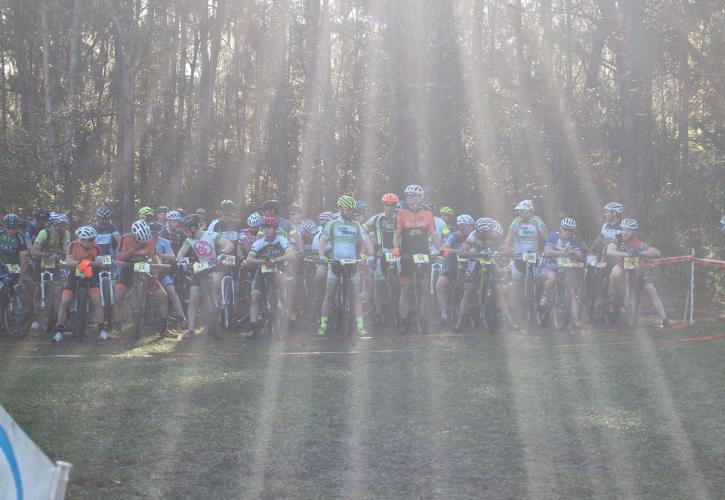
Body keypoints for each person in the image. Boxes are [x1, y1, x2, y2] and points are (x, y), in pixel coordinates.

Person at [317, 195, 375, 337]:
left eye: (352, 210)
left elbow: (366, 240)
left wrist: (372, 255)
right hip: (335, 263)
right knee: (329, 295)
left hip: (352, 263)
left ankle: (360, 326)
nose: (351, 213)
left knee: (355, 296)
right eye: (348, 210)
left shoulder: (356, 224)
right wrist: (321, 256)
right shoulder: (332, 224)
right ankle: (323, 325)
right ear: (341, 209)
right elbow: (322, 241)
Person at [392, 184, 442, 334]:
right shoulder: (401, 214)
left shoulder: (428, 214)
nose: (408, 198)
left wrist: (440, 249)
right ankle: (404, 320)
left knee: (424, 284)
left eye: (412, 195)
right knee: (405, 289)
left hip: (423, 254)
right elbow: (397, 234)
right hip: (407, 254)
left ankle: (423, 316)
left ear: (420, 198)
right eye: (407, 196)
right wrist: (396, 248)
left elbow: (433, 235)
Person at [176, 214, 234, 339]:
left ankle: (218, 302)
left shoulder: (211, 235)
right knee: (193, 298)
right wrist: (182, 262)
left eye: (186, 230)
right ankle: (191, 330)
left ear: (192, 228)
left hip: (214, 267)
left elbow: (229, 245)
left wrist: (223, 253)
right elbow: (180, 254)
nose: (185, 233)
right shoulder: (189, 240)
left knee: (216, 281)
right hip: (199, 270)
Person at [112, 220, 174, 338]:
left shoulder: (151, 240)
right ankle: (117, 329)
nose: (143, 243)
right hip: (127, 269)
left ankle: (164, 328)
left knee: (163, 296)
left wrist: (155, 275)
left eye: (144, 241)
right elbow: (118, 257)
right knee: (117, 297)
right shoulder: (125, 238)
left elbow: (154, 258)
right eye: (140, 241)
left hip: (144, 269)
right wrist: (130, 252)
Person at [605, 218, 670, 327]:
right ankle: (612, 300)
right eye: (623, 229)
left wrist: (640, 252)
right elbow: (609, 251)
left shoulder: (637, 242)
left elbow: (656, 252)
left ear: (634, 232)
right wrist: (627, 254)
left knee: (652, 290)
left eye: (628, 230)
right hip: (622, 267)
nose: (624, 232)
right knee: (614, 272)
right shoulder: (618, 238)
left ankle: (664, 319)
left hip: (638, 269)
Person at [52, 226, 109, 342]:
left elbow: (100, 262)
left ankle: (102, 329)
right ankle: (59, 330)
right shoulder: (73, 245)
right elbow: (68, 261)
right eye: (91, 239)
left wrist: (89, 263)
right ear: (82, 239)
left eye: (94, 239)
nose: (94, 241)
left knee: (96, 299)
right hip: (74, 273)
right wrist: (81, 263)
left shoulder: (96, 247)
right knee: (65, 300)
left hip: (91, 273)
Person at [244, 216, 297, 337]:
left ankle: (283, 314)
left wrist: (276, 260)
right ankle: (253, 327)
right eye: (264, 228)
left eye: (269, 228)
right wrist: (262, 262)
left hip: (278, 270)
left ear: (275, 229)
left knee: (281, 283)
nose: (266, 230)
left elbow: (291, 255)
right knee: (255, 297)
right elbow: (249, 259)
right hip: (261, 272)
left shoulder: (281, 240)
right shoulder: (259, 243)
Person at [455, 217, 504, 331]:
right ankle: (460, 321)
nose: (477, 233)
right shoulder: (473, 235)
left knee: (498, 286)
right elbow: (462, 252)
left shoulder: (493, 235)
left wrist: (498, 252)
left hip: (489, 261)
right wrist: (478, 254)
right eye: (477, 231)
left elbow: (507, 249)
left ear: (486, 232)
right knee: (468, 291)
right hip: (475, 260)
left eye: (480, 232)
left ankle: (496, 311)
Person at [539, 217, 584, 328]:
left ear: (573, 231)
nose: (568, 232)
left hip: (563, 267)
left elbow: (579, 255)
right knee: (552, 278)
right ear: (561, 228)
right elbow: (549, 252)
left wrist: (572, 251)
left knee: (571, 290)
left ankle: (575, 318)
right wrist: (564, 253)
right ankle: (545, 295)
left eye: (570, 230)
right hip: (548, 264)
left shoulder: (574, 240)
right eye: (565, 229)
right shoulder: (553, 236)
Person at [365, 193, 399, 325]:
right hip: (381, 253)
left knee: (401, 283)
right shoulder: (377, 218)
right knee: (379, 285)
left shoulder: (399, 217)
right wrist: (372, 237)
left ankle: (400, 311)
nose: (389, 207)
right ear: (383, 205)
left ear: (395, 205)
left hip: (396, 253)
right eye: (386, 205)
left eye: (392, 205)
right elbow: (364, 228)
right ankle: (378, 313)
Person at [435, 214, 474, 325]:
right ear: (462, 226)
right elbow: (446, 245)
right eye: (469, 226)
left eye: (472, 226)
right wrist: (450, 249)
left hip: (468, 265)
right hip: (452, 265)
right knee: (439, 286)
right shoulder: (454, 236)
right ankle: (444, 314)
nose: (471, 228)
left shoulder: (473, 236)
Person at [149, 222, 186, 325]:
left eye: (155, 234)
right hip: (148, 271)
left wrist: (159, 255)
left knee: (172, 291)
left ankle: (181, 317)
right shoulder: (144, 241)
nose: (153, 236)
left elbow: (172, 257)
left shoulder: (164, 242)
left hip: (161, 271)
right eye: (151, 234)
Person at [1, 213, 29, 286]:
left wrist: (20, 281)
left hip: (15, 266)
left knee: (11, 284)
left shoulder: (20, 238)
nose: (10, 230)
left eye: (13, 228)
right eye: (8, 228)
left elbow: (24, 263)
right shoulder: (1, 235)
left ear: (17, 227)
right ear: (4, 226)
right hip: (2, 265)